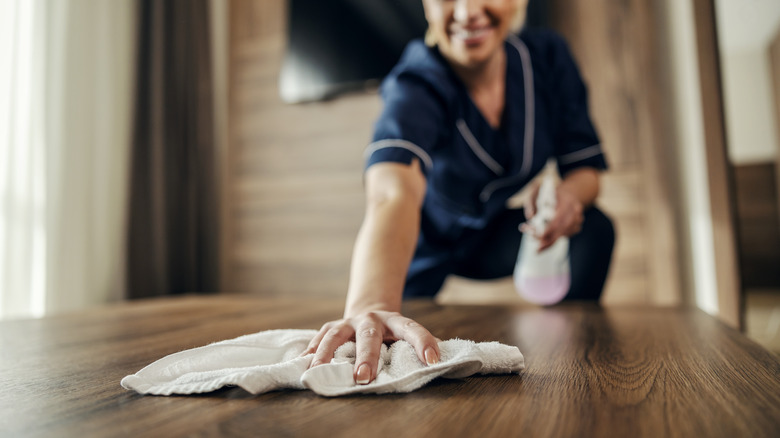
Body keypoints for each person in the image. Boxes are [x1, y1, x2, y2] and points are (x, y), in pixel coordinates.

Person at [302, 0, 614, 385]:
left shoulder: (547, 58)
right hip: (422, 241)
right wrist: (371, 307)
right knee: (395, 348)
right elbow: (391, 193)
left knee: (595, 229)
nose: (468, 12)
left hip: (488, 235)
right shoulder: (416, 82)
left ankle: (578, 362)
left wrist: (568, 196)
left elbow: (586, 171)